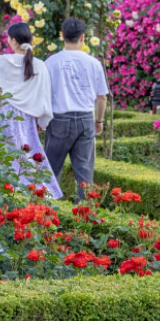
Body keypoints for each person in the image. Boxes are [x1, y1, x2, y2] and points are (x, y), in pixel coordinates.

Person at [0, 22, 62, 199]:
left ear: (14, 41)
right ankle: (35, 192)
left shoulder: (2, 61)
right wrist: (42, 121)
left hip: (2, 115)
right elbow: (44, 96)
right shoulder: (39, 65)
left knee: (3, 155)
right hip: (27, 118)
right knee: (29, 154)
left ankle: (3, 192)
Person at [44, 18, 110, 202]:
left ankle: (45, 216)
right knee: (84, 176)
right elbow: (102, 97)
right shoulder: (93, 63)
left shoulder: (51, 63)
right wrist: (99, 121)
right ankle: (83, 219)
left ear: (62, 36)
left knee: (50, 173)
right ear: (83, 37)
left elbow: (44, 95)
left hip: (58, 120)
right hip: (85, 119)